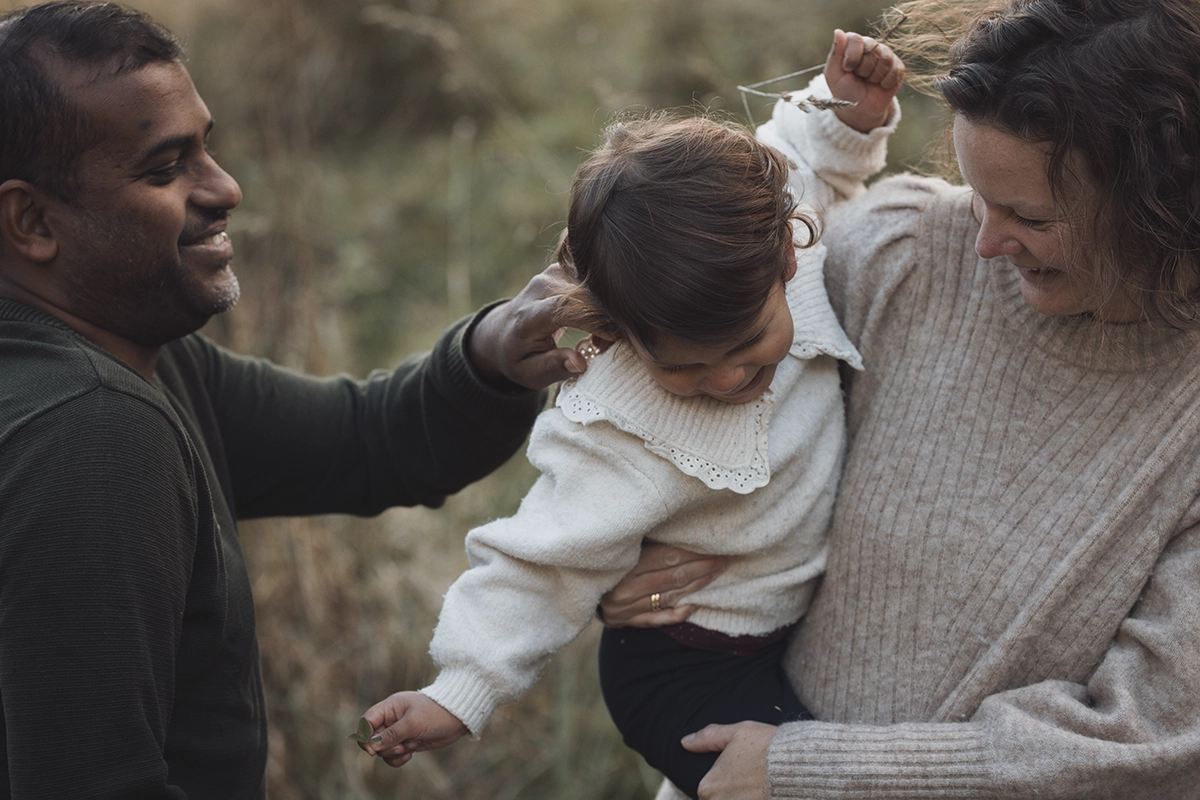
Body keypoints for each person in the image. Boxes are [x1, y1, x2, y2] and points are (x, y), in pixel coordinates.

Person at [602, 1, 1200, 798]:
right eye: (977, 194)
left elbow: (1148, 730)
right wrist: (611, 542)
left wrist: (811, 771)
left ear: (1163, 207)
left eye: (1029, 215)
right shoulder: (906, 252)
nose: (986, 241)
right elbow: (661, 348)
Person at [0, 2, 584, 797]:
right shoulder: (89, 431)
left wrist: (493, 352)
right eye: (165, 168)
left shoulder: (138, 358)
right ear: (31, 220)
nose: (226, 187)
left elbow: (366, 442)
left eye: (208, 147)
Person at [354, 32, 904, 799]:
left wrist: (850, 109)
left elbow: (798, 154)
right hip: (682, 665)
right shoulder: (618, 422)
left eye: (750, 342)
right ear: (621, 332)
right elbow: (542, 555)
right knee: (794, 781)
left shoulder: (772, 243)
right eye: (682, 364)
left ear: (785, 254)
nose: (727, 377)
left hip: (784, 626)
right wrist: (461, 690)